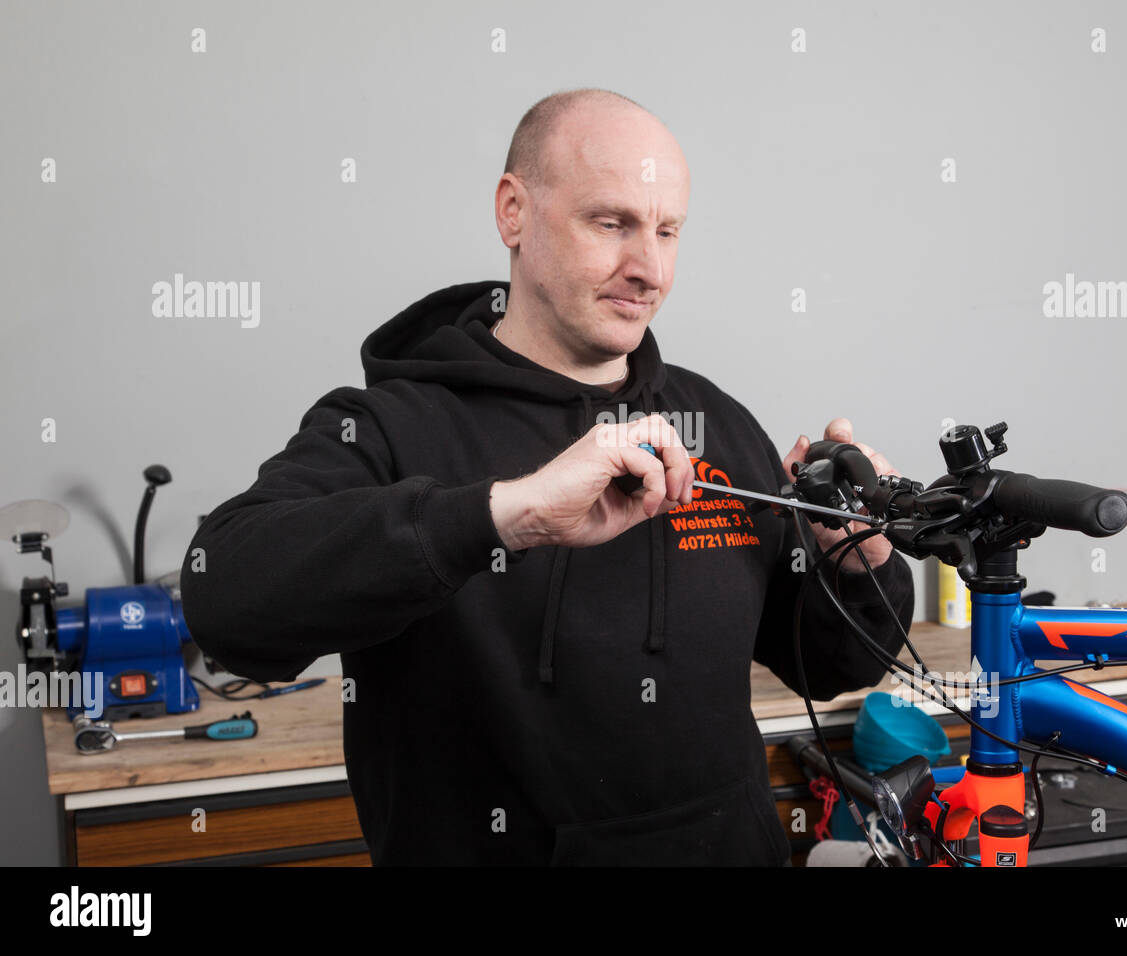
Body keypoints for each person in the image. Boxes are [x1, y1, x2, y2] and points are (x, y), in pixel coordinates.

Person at [180, 88, 915, 865]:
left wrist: (855, 559)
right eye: (612, 223)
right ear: (513, 213)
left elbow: (833, 667)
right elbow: (224, 601)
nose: (648, 269)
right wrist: (507, 515)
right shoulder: (391, 426)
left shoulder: (714, 422)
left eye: (667, 231)